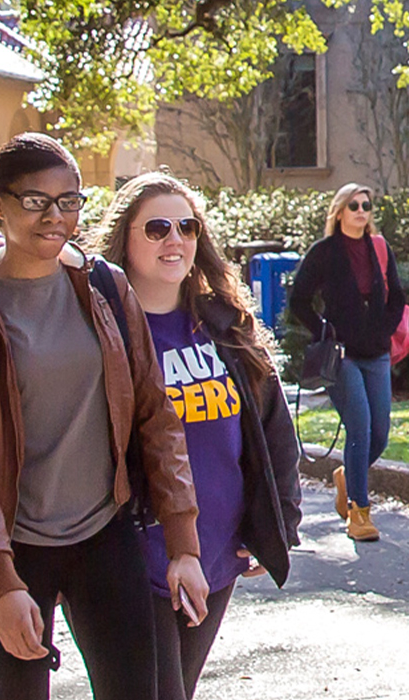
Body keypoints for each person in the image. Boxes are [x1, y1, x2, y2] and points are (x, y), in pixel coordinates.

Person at [0, 132, 207, 700]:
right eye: (35, 201)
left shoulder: (104, 286)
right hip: (13, 546)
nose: (55, 217)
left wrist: (182, 543)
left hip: (104, 533)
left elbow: (155, 417)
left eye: (69, 201)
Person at [98, 170, 306, 698]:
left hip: (219, 552)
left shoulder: (224, 325)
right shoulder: (105, 332)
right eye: (157, 228)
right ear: (125, 239)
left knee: (180, 690)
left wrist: (278, 524)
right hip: (137, 554)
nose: (175, 240)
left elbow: (274, 434)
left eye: (187, 227)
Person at [286, 183, 408, 542]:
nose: (360, 211)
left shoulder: (379, 248)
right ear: (339, 211)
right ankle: (359, 513)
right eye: (353, 205)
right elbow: (298, 300)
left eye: (366, 205)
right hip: (341, 356)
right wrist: (324, 329)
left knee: (380, 434)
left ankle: (345, 477)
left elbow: (397, 297)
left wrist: (384, 329)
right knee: (360, 428)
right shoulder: (324, 252)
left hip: (377, 353)